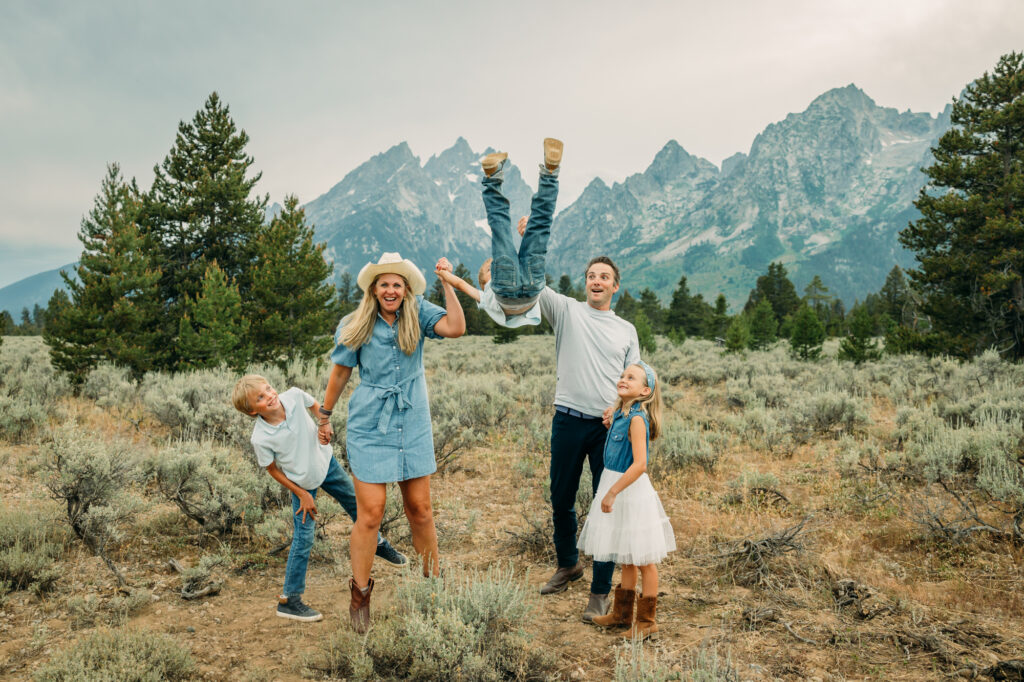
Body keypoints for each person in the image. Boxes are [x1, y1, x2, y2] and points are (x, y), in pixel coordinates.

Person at [317, 252, 465, 633]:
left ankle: (432, 591)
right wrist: (326, 415)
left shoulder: (420, 311)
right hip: (371, 424)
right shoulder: (355, 323)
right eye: (384, 283)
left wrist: (448, 283)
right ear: (373, 288)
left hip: (412, 420)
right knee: (370, 513)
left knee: (421, 509)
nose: (391, 289)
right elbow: (340, 372)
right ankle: (360, 596)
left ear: (405, 288)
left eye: (397, 283)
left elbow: (456, 328)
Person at [231, 375, 408, 623]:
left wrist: (324, 424)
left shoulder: (291, 395)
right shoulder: (261, 438)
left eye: (269, 389)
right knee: (303, 538)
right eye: (260, 397)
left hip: (326, 464)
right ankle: (290, 600)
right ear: (252, 411)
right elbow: (272, 470)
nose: (270, 395)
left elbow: (315, 406)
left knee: (360, 508)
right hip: (302, 482)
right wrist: (302, 493)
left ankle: (377, 543)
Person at [536, 255, 641, 624]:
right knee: (561, 497)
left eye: (605, 277)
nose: (597, 281)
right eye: (592, 276)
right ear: (586, 283)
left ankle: (599, 592)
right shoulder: (566, 311)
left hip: (607, 429)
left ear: (615, 286)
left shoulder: (626, 329)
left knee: (605, 505)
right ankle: (568, 565)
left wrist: (622, 407)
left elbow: (636, 377)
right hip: (566, 418)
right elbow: (533, 282)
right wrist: (527, 240)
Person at [576, 361, 675, 640]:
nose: (623, 379)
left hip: (629, 491)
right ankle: (621, 615)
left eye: (631, 377)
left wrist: (612, 492)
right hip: (615, 483)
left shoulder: (636, 419)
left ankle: (646, 622)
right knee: (626, 557)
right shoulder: (620, 413)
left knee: (644, 559)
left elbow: (640, 464)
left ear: (645, 391)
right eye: (622, 375)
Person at [455, 138, 561, 328]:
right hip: (510, 289)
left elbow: (461, 285)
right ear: (483, 283)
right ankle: (492, 178)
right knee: (500, 226)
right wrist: (445, 275)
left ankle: (550, 173)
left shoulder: (486, 298)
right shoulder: (486, 292)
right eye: (490, 268)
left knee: (540, 226)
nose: (492, 266)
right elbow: (461, 284)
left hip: (528, 288)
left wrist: (444, 275)